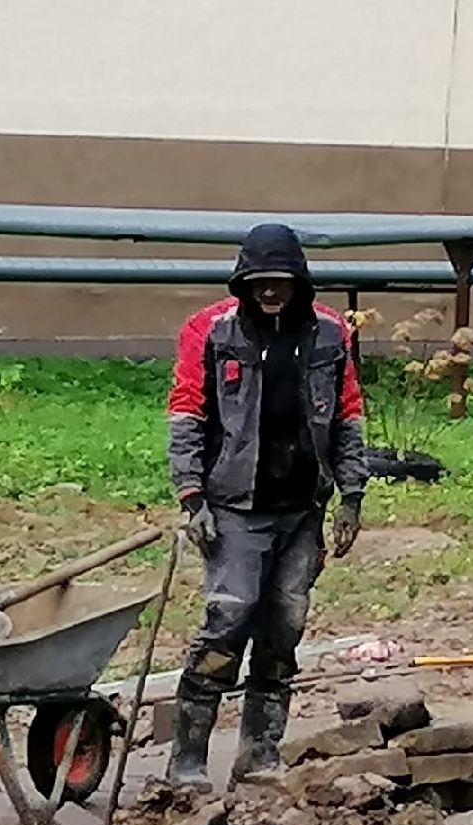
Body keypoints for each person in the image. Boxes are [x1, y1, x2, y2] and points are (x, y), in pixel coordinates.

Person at [166, 222, 369, 790]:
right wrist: (191, 497)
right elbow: (187, 411)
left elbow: (348, 414)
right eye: (258, 284)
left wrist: (351, 495)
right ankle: (186, 760)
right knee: (226, 622)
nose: (269, 294)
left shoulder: (331, 334)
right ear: (243, 283)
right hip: (233, 507)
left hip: (301, 508)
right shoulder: (209, 331)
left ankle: (260, 754)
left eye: (279, 283)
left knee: (284, 629)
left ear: (299, 283)